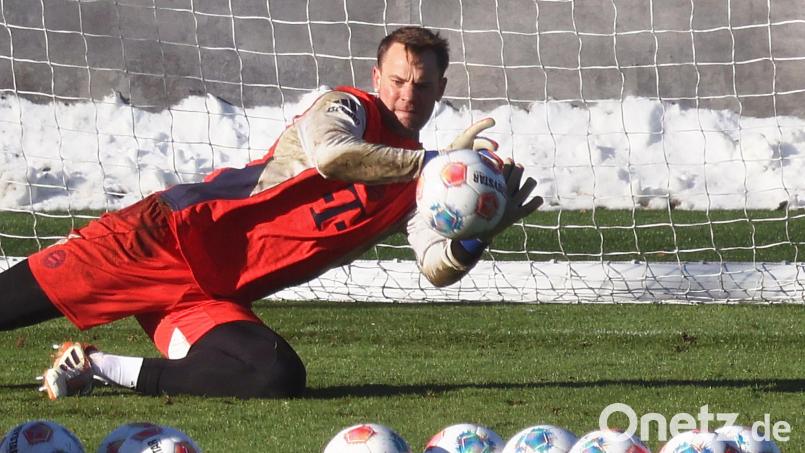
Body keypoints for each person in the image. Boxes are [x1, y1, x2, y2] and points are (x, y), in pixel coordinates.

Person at [0, 26, 541, 399]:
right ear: (377, 78)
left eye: (422, 85)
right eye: (398, 80)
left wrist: (478, 229)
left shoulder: (422, 186)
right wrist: (434, 160)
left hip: (209, 297)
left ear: (440, 90)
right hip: (161, 240)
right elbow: (333, 156)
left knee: (273, 375)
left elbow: (436, 266)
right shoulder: (347, 106)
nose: (408, 94)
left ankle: (95, 368)